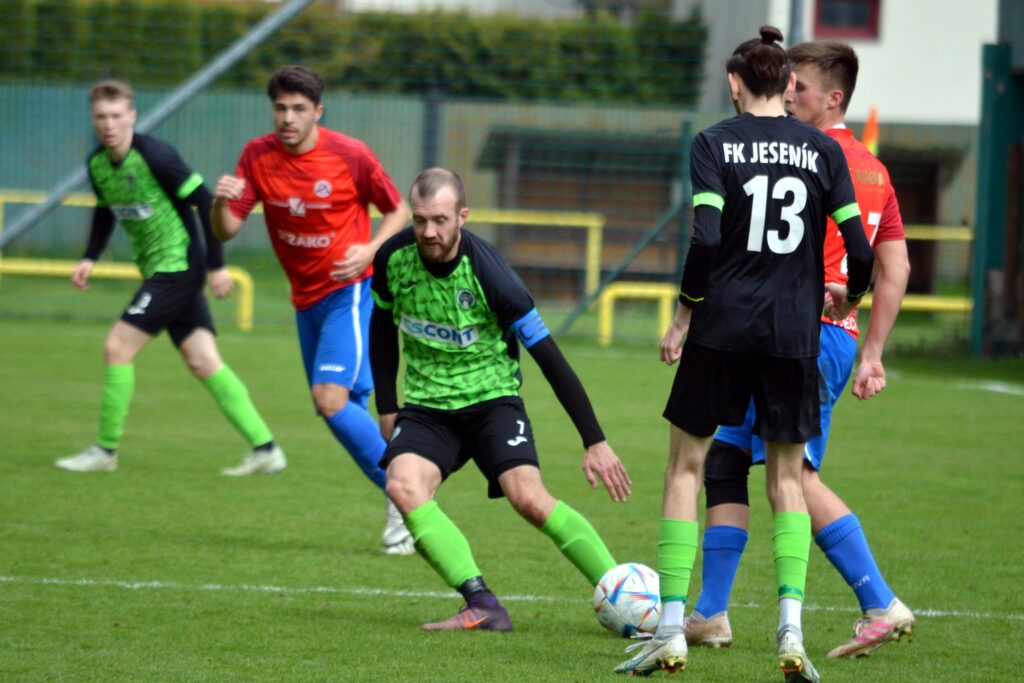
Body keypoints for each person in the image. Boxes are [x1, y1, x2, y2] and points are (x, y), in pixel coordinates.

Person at [614, 27, 874, 681]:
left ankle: (671, 630)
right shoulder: (823, 149)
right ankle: (791, 631)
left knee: (685, 468)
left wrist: (683, 315)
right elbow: (860, 251)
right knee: (787, 481)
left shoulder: (714, 142)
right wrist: (850, 296)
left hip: (721, 328)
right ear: (787, 84)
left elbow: (705, 239)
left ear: (734, 83)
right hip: (793, 335)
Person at [684, 40, 914, 660]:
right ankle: (711, 612)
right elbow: (895, 266)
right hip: (823, 336)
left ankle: (879, 602)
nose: (789, 96)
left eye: (801, 88)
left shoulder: (810, 155)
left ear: (833, 98)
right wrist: (872, 351)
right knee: (727, 458)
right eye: (787, 85)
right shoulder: (875, 170)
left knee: (793, 476)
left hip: (794, 337)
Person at [370, 167, 633, 632]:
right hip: (428, 407)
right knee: (403, 486)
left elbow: (551, 359)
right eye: (420, 219)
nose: (428, 232)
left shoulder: (493, 276)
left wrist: (594, 440)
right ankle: (482, 603)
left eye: (440, 220)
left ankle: (626, 596)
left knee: (528, 498)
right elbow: (381, 325)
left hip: (493, 401)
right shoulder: (393, 258)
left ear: (463, 216)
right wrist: (387, 404)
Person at [211, 65, 414, 554]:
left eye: (299, 109)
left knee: (329, 399)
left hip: (351, 292)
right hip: (305, 302)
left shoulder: (350, 155)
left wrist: (370, 250)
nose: (288, 118)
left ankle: (409, 493)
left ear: (317, 111)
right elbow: (226, 230)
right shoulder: (257, 155)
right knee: (346, 409)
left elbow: (398, 209)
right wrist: (220, 204)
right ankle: (402, 504)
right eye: (280, 108)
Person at [55, 79, 283, 474]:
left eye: (116, 115)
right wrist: (90, 257)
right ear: (93, 120)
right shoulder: (97, 164)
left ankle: (105, 452)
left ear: (132, 116)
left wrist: (216, 266)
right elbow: (106, 210)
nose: (109, 124)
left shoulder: (157, 156)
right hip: (160, 269)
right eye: (101, 117)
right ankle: (266, 449)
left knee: (117, 348)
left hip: (177, 266)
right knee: (203, 361)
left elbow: (207, 202)